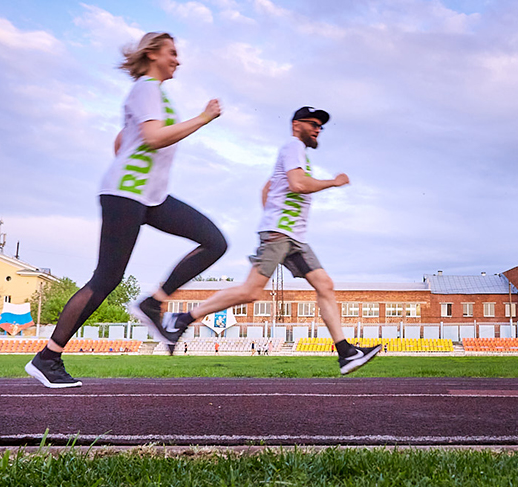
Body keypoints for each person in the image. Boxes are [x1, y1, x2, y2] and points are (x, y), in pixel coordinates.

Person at [26, 32, 228, 389]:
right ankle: (48, 357)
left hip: (150, 197)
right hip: (125, 195)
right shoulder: (146, 88)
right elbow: (151, 138)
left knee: (214, 241)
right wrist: (204, 118)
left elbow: (124, 140)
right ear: (152, 55)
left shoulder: (154, 95)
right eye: (172, 53)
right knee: (107, 278)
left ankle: (153, 304)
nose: (178, 60)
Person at [157, 107, 382, 375]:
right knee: (251, 292)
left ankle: (346, 353)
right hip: (280, 235)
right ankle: (181, 319)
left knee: (325, 284)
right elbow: (297, 184)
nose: (318, 129)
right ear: (296, 125)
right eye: (313, 124)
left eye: (321, 125)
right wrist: (332, 183)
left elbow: (268, 188)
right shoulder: (293, 146)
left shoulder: (296, 154)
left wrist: (272, 214)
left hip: (292, 237)